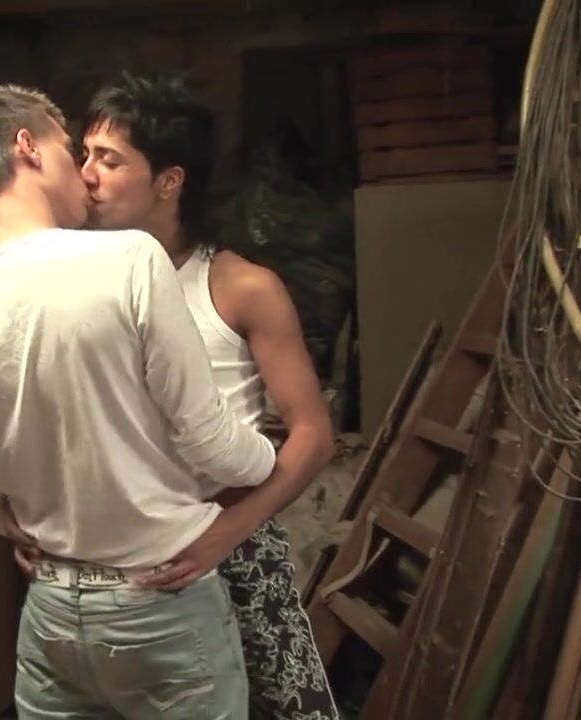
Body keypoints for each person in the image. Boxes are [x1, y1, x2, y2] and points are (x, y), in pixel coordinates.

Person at [0, 82, 276, 719]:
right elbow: (213, 445)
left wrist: (26, 523)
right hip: (159, 604)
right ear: (28, 147)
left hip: (52, 611)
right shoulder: (131, 261)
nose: (83, 174)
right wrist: (266, 458)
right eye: (69, 150)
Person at [81, 72, 340, 720]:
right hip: (116, 557)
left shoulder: (238, 286)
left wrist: (226, 535)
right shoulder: (76, 285)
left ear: (168, 181)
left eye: (109, 160)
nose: (87, 175)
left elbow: (312, 434)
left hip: (231, 545)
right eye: (85, 155)